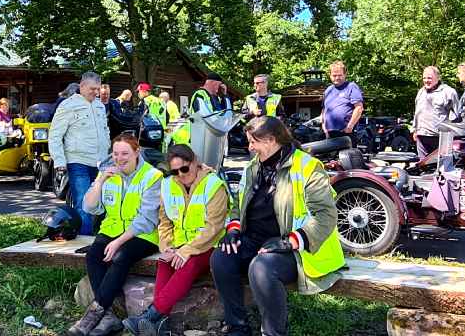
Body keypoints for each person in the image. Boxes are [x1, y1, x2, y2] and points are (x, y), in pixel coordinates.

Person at [210, 117, 345, 336]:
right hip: (255, 239)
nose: (250, 148)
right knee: (221, 257)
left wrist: (289, 241)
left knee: (261, 267)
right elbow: (238, 205)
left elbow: (326, 216)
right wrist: (233, 230)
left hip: (298, 247)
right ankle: (237, 326)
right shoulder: (253, 167)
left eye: (253, 142)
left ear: (271, 140)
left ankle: (272, 332)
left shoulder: (308, 167)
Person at [122, 144, 228, 335]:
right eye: (175, 170)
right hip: (179, 245)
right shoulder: (168, 184)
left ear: (194, 162)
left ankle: (150, 316)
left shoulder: (214, 185)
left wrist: (186, 251)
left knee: (189, 264)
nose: (181, 174)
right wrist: (167, 247)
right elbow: (164, 221)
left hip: (210, 245)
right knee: (165, 262)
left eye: (185, 168)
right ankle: (160, 324)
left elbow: (214, 227)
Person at [67, 134, 163, 336]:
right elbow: (89, 207)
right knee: (93, 255)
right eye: (116, 153)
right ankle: (109, 317)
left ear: (137, 153)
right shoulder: (108, 173)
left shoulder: (152, 176)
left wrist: (119, 242)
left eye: (125, 153)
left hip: (143, 234)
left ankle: (92, 315)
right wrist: (100, 181)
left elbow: (147, 219)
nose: (120, 158)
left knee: (121, 256)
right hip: (111, 229)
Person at [49, 72, 111, 235]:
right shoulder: (67, 105)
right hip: (78, 162)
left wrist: (110, 153)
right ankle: (84, 244)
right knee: (84, 204)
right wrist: (59, 162)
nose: (96, 92)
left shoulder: (99, 106)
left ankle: (101, 239)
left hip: (101, 163)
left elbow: (105, 131)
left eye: (98, 89)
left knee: (103, 203)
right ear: (82, 86)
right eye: (92, 89)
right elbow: (55, 135)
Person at [412, 66, 460, 158]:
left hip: (440, 137)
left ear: (438, 78)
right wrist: (415, 130)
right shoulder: (421, 92)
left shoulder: (448, 92)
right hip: (422, 135)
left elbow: (456, 114)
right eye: (424, 78)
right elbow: (417, 112)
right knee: (423, 165)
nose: (426, 80)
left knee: (441, 166)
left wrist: (451, 132)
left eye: (429, 78)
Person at [320, 61, 364, 141]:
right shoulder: (328, 90)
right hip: (329, 133)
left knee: (345, 154)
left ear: (345, 75)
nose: (337, 78)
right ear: (330, 75)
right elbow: (324, 110)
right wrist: (324, 128)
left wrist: (349, 127)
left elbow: (359, 108)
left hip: (346, 132)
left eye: (340, 75)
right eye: (334, 75)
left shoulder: (351, 87)